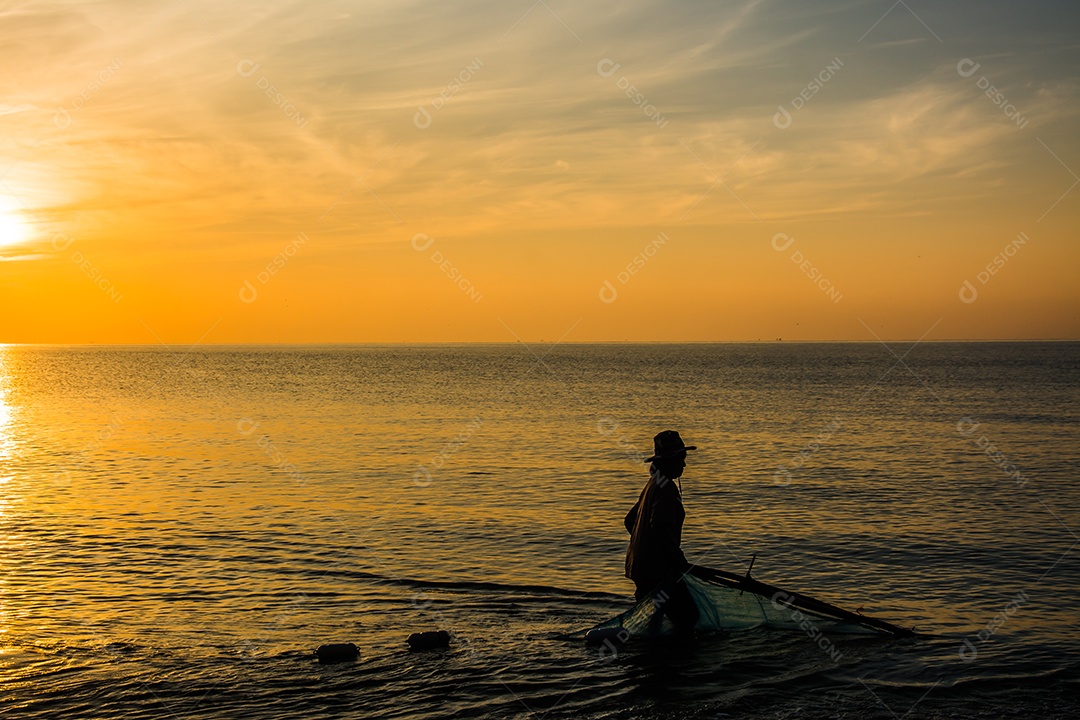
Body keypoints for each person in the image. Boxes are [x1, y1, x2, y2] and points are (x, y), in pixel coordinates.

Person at [624, 430, 700, 637]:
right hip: (658, 572)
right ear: (670, 461)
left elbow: (630, 521)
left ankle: (653, 661)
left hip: (642, 569)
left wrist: (644, 548)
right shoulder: (666, 489)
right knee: (689, 617)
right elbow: (658, 528)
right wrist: (677, 560)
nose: (684, 465)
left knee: (652, 625)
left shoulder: (653, 484)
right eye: (681, 459)